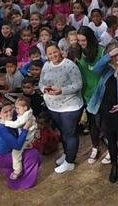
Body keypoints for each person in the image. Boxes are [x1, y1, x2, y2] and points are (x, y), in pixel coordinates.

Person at [87, 42, 118, 183]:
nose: (116, 57)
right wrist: (109, 55)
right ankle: (114, 166)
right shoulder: (106, 68)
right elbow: (95, 69)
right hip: (107, 112)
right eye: (113, 54)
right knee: (111, 142)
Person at [39, 42, 84, 174]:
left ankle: (70, 162)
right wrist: (45, 90)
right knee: (63, 133)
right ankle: (67, 154)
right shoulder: (46, 65)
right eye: (50, 54)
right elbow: (41, 82)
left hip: (70, 106)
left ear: (60, 51)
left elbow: (78, 84)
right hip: (53, 105)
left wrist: (62, 90)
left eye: (55, 52)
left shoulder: (70, 65)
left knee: (70, 134)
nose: (53, 55)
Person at [0, 98, 41, 190]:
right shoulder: (0, 127)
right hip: (2, 156)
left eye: (11, 110)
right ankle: (22, 182)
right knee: (33, 155)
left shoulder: (13, 115)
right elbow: (17, 146)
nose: (10, 113)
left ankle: (9, 169)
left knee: (31, 151)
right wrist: (26, 129)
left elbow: (26, 113)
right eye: (5, 112)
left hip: (11, 149)